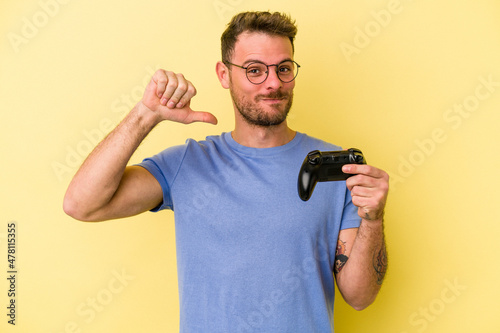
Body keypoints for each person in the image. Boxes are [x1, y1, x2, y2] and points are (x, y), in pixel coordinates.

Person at [64, 11, 389, 332]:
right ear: (223, 74)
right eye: (255, 70)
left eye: (284, 68)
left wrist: (373, 218)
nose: (273, 83)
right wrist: (146, 114)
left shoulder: (335, 170)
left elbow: (360, 297)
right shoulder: (186, 165)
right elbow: (82, 204)